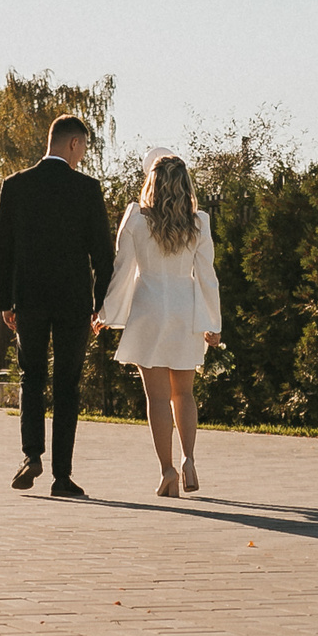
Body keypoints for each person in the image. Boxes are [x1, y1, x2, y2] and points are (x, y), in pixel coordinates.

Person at [0, 113, 115, 497]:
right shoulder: (87, 189)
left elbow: (2, 248)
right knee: (66, 385)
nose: (82, 157)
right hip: (73, 302)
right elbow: (103, 254)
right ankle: (62, 477)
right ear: (74, 144)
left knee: (32, 378)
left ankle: (31, 456)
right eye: (83, 149)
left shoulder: (15, 186)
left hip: (28, 299)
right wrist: (99, 303)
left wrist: (5, 301)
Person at [93, 152, 223, 497]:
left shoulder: (136, 219)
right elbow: (208, 276)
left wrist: (106, 313)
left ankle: (166, 470)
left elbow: (122, 270)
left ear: (152, 182)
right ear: (185, 186)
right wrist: (213, 321)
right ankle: (189, 460)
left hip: (149, 308)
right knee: (185, 393)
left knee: (157, 397)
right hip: (185, 308)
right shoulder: (199, 223)